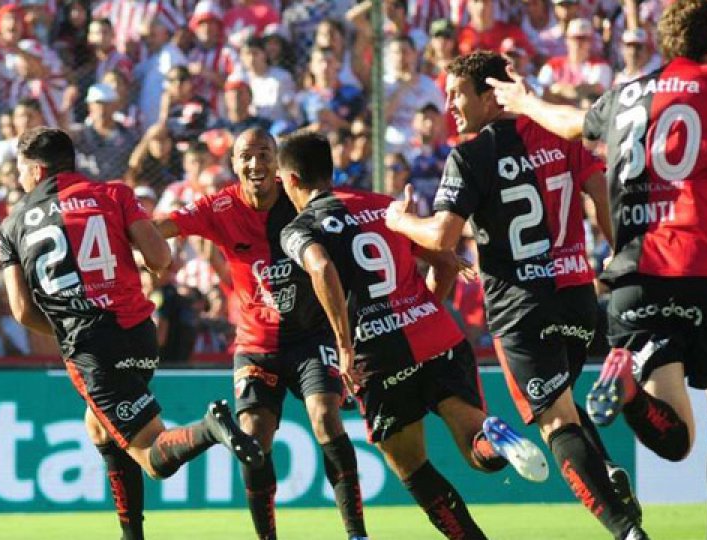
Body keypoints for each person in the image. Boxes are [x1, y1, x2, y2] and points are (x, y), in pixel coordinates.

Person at [487, 1, 707, 537]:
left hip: (635, 277)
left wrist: (523, 100)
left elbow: (571, 124)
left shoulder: (625, 95)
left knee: (676, 440)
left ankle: (631, 392)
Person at [385, 51, 645, 540]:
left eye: (457, 94)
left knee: (555, 425)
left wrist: (399, 221)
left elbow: (442, 237)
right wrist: (617, 258)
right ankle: (607, 469)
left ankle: (625, 531)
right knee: (563, 403)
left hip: (521, 308)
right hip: (577, 299)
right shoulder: (559, 135)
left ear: (491, 96)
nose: (449, 105)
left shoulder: (471, 155)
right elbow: (599, 193)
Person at [277, 132, 548, 539]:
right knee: (477, 447)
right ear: (329, 171)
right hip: (437, 336)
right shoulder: (383, 206)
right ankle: (498, 439)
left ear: (292, 180)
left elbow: (320, 268)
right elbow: (447, 262)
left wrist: (345, 347)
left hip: (378, 356)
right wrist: (422, 312)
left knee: (412, 467)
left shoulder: (299, 228)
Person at [0, 127, 264, 540]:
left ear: (36, 171)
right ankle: (132, 533)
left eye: (20, 169)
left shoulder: (13, 223)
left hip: (91, 345)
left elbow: (21, 311)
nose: (19, 178)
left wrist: (71, 322)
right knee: (100, 427)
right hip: (140, 333)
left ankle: (209, 429)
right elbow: (160, 257)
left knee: (153, 456)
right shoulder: (114, 194)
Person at [155, 127, 369, 540]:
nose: (256, 164)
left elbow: (352, 221)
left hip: (311, 337)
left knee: (326, 418)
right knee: (252, 437)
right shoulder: (219, 206)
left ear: (279, 163)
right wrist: (126, 233)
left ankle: (357, 533)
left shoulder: (300, 199)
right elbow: (164, 225)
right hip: (256, 345)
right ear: (233, 164)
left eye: (264, 155)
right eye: (246, 156)